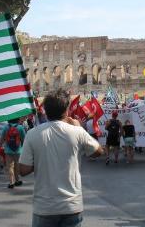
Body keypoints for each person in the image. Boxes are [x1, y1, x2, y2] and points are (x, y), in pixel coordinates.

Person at [19, 89, 103, 227]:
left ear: (45, 110)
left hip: (44, 207)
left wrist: (42, 159)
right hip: (71, 206)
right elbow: (98, 151)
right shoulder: (77, 131)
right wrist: (79, 128)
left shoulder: (32, 134)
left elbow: (23, 169)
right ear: (67, 109)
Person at [1, 118, 26, 189]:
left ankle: (11, 182)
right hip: (18, 150)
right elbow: (24, 138)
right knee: (17, 165)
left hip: (8, 150)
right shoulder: (20, 127)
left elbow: (2, 138)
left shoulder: (6, 127)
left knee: (10, 166)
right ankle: (17, 181)